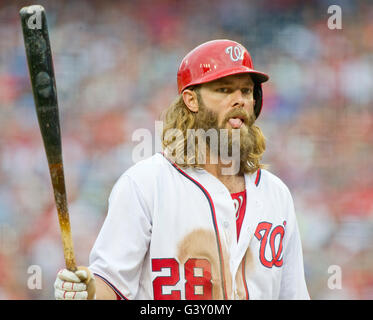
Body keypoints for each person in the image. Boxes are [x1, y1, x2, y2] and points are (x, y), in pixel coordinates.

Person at [54, 39, 310, 300]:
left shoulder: (276, 194)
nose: (240, 100)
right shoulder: (146, 184)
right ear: (191, 100)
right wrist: (88, 293)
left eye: (246, 91)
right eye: (224, 89)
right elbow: (112, 286)